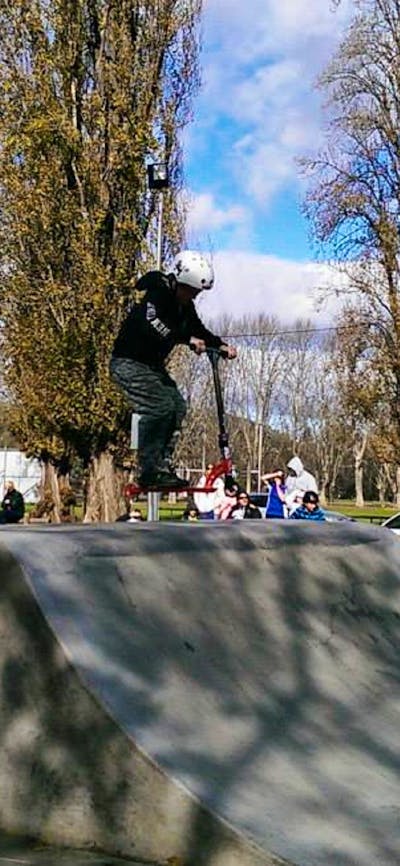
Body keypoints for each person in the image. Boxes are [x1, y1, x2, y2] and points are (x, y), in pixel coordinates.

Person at [110, 251, 237, 489]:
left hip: (151, 367)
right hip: (128, 363)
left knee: (177, 407)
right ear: (178, 283)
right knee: (159, 407)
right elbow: (152, 324)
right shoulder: (157, 294)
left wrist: (219, 344)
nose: (193, 297)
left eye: (196, 294)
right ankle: (148, 469)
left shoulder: (184, 305)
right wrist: (185, 338)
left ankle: (162, 465)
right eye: (191, 291)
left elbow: (198, 329)